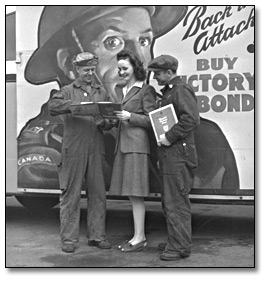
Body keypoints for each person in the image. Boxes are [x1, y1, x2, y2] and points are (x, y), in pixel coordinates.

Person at [48, 52, 111, 253]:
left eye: (93, 70)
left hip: (96, 149)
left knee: (98, 194)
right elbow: (53, 106)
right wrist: (78, 106)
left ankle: (97, 236)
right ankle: (68, 239)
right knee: (71, 194)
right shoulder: (66, 91)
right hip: (73, 149)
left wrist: (105, 122)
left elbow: (110, 121)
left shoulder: (102, 92)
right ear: (77, 70)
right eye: (86, 70)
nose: (90, 74)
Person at [147, 55, 200, 261]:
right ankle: (177, 241)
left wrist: (168, 137)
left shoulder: (181, 90)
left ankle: (179, 247)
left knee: (176, 202)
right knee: (170, 200)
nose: (156, 78)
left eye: (158, 74)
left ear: (170, 72)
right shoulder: (171, 91)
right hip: (172, 155)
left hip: (178, 155)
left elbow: (191, 119)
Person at [109, 50, 157, 252]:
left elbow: (153, 119)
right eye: (119, 68)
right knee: (131, 194)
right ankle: (138, 236)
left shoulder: (146, 90)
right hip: (125, 146)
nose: (121, 72)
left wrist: (130, 116)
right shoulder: (123, 90)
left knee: (136, 194)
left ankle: (140, 237)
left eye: (125, 68)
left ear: (135, 68)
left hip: (137, 147)